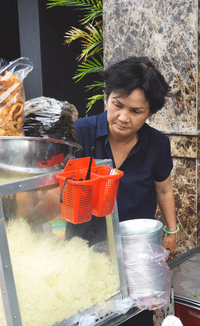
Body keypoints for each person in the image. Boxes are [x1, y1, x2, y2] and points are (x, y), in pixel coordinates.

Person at [74, 57, 178, 255]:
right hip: (85, 245)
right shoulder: (80, 133)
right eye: (117, 105)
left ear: (150, 113)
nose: (123, 117)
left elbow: (164, 190)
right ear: (108, 98)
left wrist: (171, 232)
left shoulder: (157, 144)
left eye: (135, 111)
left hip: (137, 245)